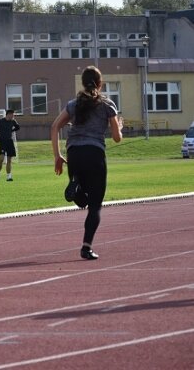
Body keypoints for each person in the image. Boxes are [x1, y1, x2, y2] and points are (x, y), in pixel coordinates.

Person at [51, 65, 123, 260]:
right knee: (94, 205)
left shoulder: (73, 104)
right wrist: (120, 126)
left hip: (74, 153)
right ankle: (86, 247)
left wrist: (57, 156)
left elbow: (55, 126)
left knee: (81, 199)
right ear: (100, 84)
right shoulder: (108, 105)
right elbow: (117, 138)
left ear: (82, 83)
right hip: (94, 154)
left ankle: (76, 185)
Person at [0, 109, 20, 181]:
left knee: (9, 160)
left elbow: (18, 127)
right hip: (2, 141)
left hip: (10, 142)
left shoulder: (13, 121)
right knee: (1, 159)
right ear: (8, 114)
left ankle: (9, 177)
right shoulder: (0, 121)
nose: (13, 116)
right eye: (12, 115)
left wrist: (11, 130)